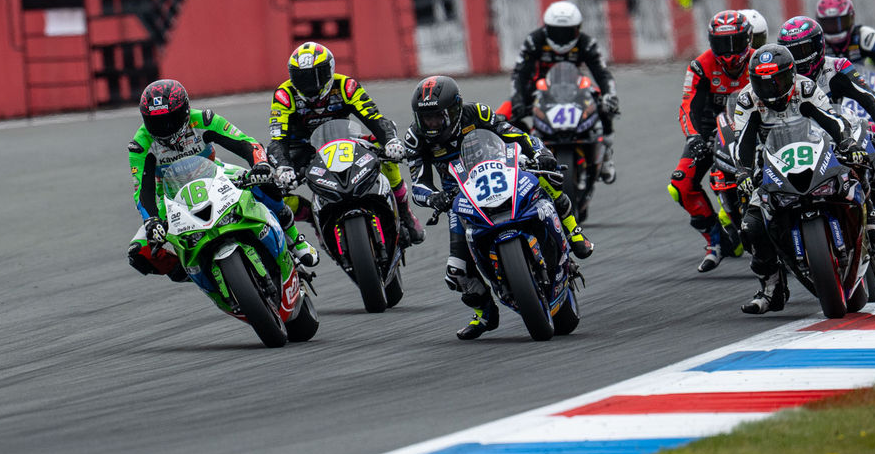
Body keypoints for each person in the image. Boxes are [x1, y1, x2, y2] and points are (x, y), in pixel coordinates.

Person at [405, 75, 592, 340]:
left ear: (454, 110)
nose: (431, 124)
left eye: (437, 117)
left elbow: (517, 135)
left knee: (547, 179)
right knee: (457, 271)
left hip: (503, 171)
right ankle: (484, 313)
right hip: (460, 196)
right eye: (426, 118)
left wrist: (540, 154)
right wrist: (435, 198)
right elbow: (418, 184)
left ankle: (574, 232)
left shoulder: (478, 113)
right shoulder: (415, 137)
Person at [125, 79, 319, 282]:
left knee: (265, 183)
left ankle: (294, 239)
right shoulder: (140, 144)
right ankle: (192, 272)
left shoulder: (203, 119)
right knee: (139, 252)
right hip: (170, 196)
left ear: (185, 112)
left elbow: (246, 143)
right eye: (155, 122)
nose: (164, 128)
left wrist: (260, 165)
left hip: (216, 175)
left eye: (171, 120)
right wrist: (151, 220)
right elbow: (142, 190)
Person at [731, 45, 869, 314]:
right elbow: (743, 141)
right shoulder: (748, 100)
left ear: (791, 74)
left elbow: (832, 120)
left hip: (816, 153)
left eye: (778, 81)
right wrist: (743, 172)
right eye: (764, 83)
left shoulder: (805, 88)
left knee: (856, 172)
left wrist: (847, 142)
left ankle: (871, 220)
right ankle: (771, 286)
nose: (772, 89)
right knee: (751, 226)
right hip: (773, 165)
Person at [267, 42, 425, 244]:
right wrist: (283, 167)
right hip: (302, 149)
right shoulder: (284, 94)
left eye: (316, 76)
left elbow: (374, 118)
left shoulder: (346, 85)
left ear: (330, 70)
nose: (310, 85)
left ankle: (404, 211)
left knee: (384, 150)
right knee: (271, 191)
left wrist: (391, 141)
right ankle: (312, 217)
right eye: (302, 78)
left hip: (343, 139)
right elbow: (277, 139)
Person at [777, 16, 875, 236]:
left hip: (844, 128)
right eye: (792, 51)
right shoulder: (780, 78)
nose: (799, 58)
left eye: (804, 49)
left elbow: (868, 96)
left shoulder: (837, 66)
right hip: (801, 139)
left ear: (818, 45)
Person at [669, 10, 755, 273]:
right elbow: (688, 105)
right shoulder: (699, 66)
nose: (729, 52)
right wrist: (693, 136)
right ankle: (715, 240)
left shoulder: (760, 60)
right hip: (710, 132)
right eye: (721, 44)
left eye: (735, 43)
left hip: (754, 130)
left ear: (748, 40)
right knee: (680, 184)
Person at [509, 1, 619, 183]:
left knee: (606, 104)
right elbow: (519, 73)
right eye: (556, 32)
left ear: (578, 29)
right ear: (546, 28)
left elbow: (602, 73)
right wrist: (517, 100)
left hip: (576, 86)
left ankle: (606, 155)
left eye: (568, 32)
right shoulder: (534, 40)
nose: (562, 38)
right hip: (538, 88)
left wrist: (609, 95)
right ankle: (515, 163)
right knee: (502, 116)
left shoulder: (587, 43)